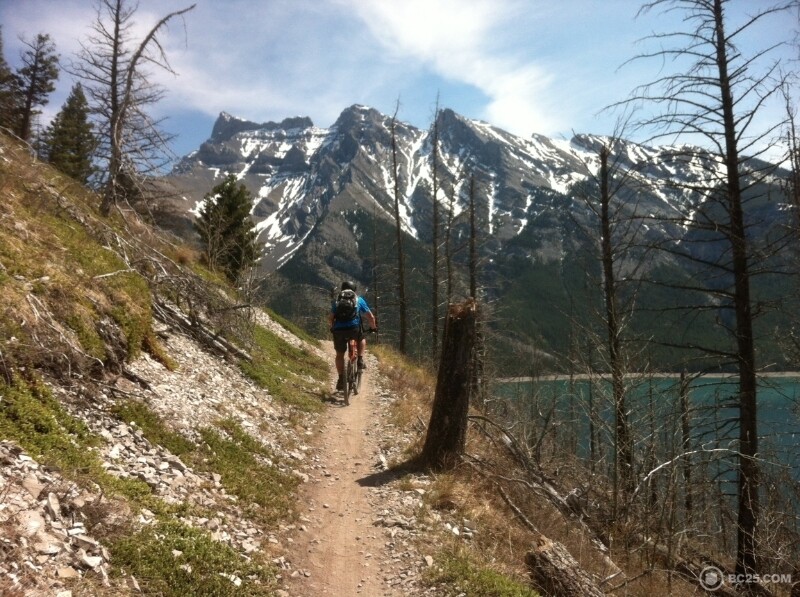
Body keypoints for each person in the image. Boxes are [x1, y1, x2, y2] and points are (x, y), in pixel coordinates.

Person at [329, 281, 377, 391]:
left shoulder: (337, 300)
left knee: (340, 355)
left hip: (338, 330)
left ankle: (341, 379)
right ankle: (360, 359)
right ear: (354, 290)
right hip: (353, 328)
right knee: (361, 338)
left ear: (342, 289)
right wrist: (373, 328)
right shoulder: (358, 299)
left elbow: (330, 318)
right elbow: (370, 317)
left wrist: (332, 327)